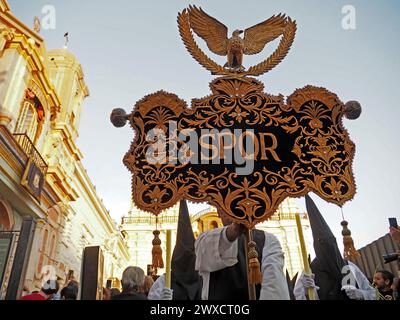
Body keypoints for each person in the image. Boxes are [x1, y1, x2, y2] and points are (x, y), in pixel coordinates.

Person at [195, 210, 290, 300]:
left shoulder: (268, 239)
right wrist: (232, 231)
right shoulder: (205, 239)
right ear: (219, 212)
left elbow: (274, 287)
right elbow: (203, 253)